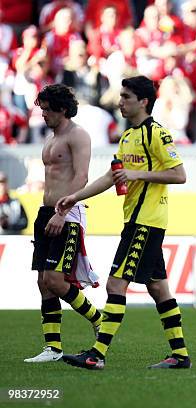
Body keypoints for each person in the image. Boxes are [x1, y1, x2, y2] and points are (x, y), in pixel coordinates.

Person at [56, 76, 191, 370]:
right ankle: (180, 355)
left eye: (126, 97)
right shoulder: (128, 136)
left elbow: (179, 174)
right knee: (158, 289)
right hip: (136, 220)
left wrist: (138, 175)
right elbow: (111, 176)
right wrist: (74, 197)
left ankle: (96, 354)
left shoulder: (157, 134)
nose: (120, 102)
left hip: (146, 222)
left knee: (116, 283)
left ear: (143, 102)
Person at [24, 84, 103, 363]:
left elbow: (81, 177)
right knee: (43, 282)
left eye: (46, 109)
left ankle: (98, 319)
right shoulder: (52, 137)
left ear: (61, 108)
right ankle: (53, 348)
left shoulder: (78, 135)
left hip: (66, 214)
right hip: (46, 212)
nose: (42, 114)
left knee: (55, 281)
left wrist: (62, 212)